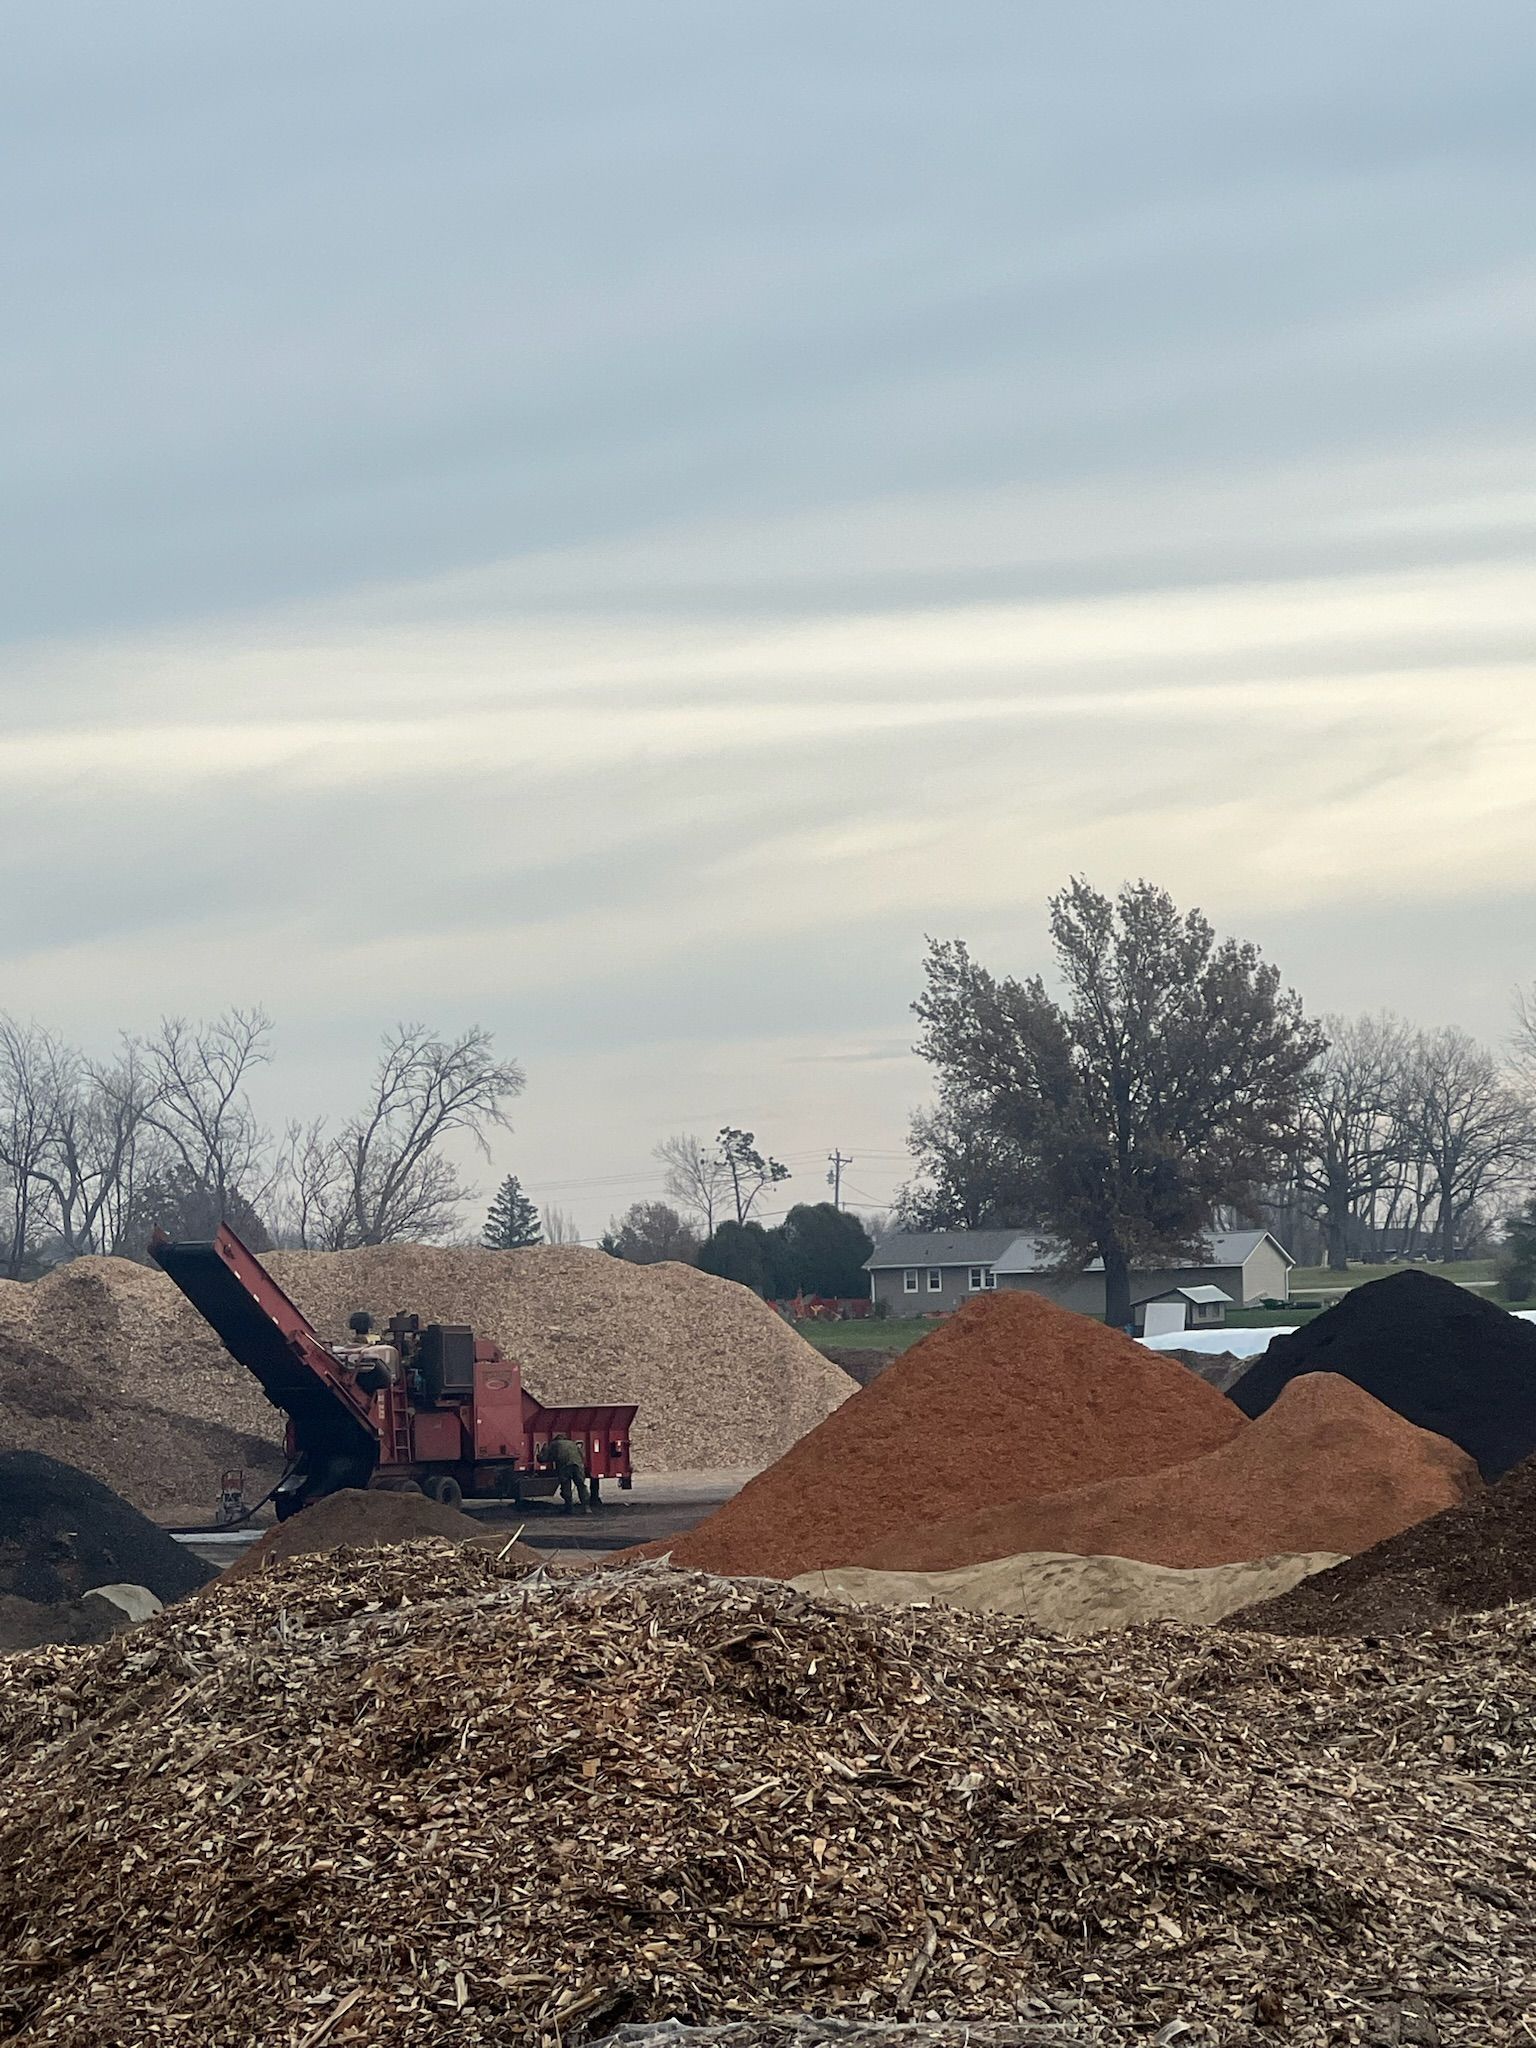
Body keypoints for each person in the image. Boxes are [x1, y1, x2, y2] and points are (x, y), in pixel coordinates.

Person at [546, 1432, 591, 1513]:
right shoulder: (572, 1443)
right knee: (581, 1485)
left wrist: (539, 1456)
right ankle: (586, 1507)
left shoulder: (554, 1444)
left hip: (565, 1466)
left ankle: (569, 1508)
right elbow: (581, 1456)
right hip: (578, 1466)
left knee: (566, 1486)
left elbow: (546, 1457)